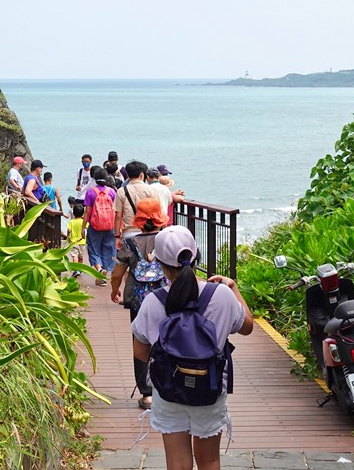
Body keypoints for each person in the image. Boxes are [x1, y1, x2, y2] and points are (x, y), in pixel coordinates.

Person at [131, 226, 254, 470]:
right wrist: (233, 288)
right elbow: (247, 327)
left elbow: (140, 353)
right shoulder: (221, 295)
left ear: (162, 266)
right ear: (196, 257)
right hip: (209, 387)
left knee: (177, 464)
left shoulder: (153, 302)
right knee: (209, 461)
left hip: (169, 390)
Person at [110, 197, 168, 409]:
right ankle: (166, 388)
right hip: (166, 297)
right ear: (161, 218)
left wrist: (114, 292)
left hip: (139, 299)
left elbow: (117, 274)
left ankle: (147, 394)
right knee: (167, 339)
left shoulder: (129, 243)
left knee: (141, 342)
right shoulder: (167, 239)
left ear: (138, 220)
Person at [82, 165, 117, 286]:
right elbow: (116, 211)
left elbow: (87, 211)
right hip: (110, 225)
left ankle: (99, 269)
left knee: (93, 248)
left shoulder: (91, 192)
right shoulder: (112, 192)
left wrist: (83, 227)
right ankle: (105, 270)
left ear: (94, 178)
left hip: (95, 226)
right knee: (108, 248)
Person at [113, 160, 157, 250]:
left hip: (129, 233)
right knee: (147, 262)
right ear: (142, 175)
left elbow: (118, 216)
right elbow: (156, 213)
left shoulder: (121, 191)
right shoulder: (150, 190)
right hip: (147, 233)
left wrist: (117, 236)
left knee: (128, 261)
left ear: (128, 175)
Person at [66, 204, 87, 276]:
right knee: (81, 257)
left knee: (75, 256)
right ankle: (80, 270)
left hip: (73, 242)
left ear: (73, 213)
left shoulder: (71, 222)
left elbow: (69, 231)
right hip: (82, 242)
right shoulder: (83, 222)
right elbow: (87, 228)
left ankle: (76, 270)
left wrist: (68, 238)